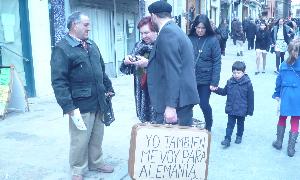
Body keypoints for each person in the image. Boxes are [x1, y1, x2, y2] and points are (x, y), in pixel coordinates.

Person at [50, 12, 114, 180]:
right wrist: (68, 106)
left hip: (99, 99)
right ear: (74, 25)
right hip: (79, 103)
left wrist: (108, 87)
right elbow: (58, 81)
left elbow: (101, 69)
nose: (89, 28)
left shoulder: (91, 45)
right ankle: (78, 169)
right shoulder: (62, 48)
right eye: (86, 25)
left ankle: (96, 162)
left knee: (97, 135)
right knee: (80, 139)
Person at [134, 1, 199, 126]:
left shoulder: (167, 33)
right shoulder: (176, 30)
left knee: (172, 143)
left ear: (153, 16)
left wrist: (170, 106)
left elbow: (173, 71)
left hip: (177, 103)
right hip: (182, 100)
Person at [120, 16, 157, 123]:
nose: (143, 36)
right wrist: (126, 61)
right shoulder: (139, 45)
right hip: (141, 91)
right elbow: (128, 69)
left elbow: (168, 69)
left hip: (157, 94)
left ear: (155, 31)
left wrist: (148, 64)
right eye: (141, 33)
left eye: (147, 33)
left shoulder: (162, 45)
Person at [188, 14, 221, 131]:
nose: (200, 30)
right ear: (194, 27)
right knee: (187, 104)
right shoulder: (189, 39)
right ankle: (186, 124)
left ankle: (208, 125)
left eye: (203, 28)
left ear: (207, 28)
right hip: (190, 78)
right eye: (198, 27)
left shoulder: (213, 40)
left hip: (206, 79)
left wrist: (214, 82)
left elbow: (217, 62)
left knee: (203, 104)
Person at [213, 61, 254, 147]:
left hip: (242, 109)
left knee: (240, 124)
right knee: (230, 124)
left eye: (238, 73)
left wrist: (250, 110)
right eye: (234, 73)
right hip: (231, 108)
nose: (236, 75)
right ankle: (227, 139)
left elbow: (250, 98)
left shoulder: (248, 84)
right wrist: (215, 89)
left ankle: (239, 136)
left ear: (243, 72)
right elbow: (224, 92)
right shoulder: (230, 82)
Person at [272, 38, 300, 157]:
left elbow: (279, 81)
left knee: (282, 117)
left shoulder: (283, 64)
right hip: (298, 95)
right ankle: (291, 149)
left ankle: (279, 142)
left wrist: (277, 94)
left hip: (286, 94)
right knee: (295, 120)